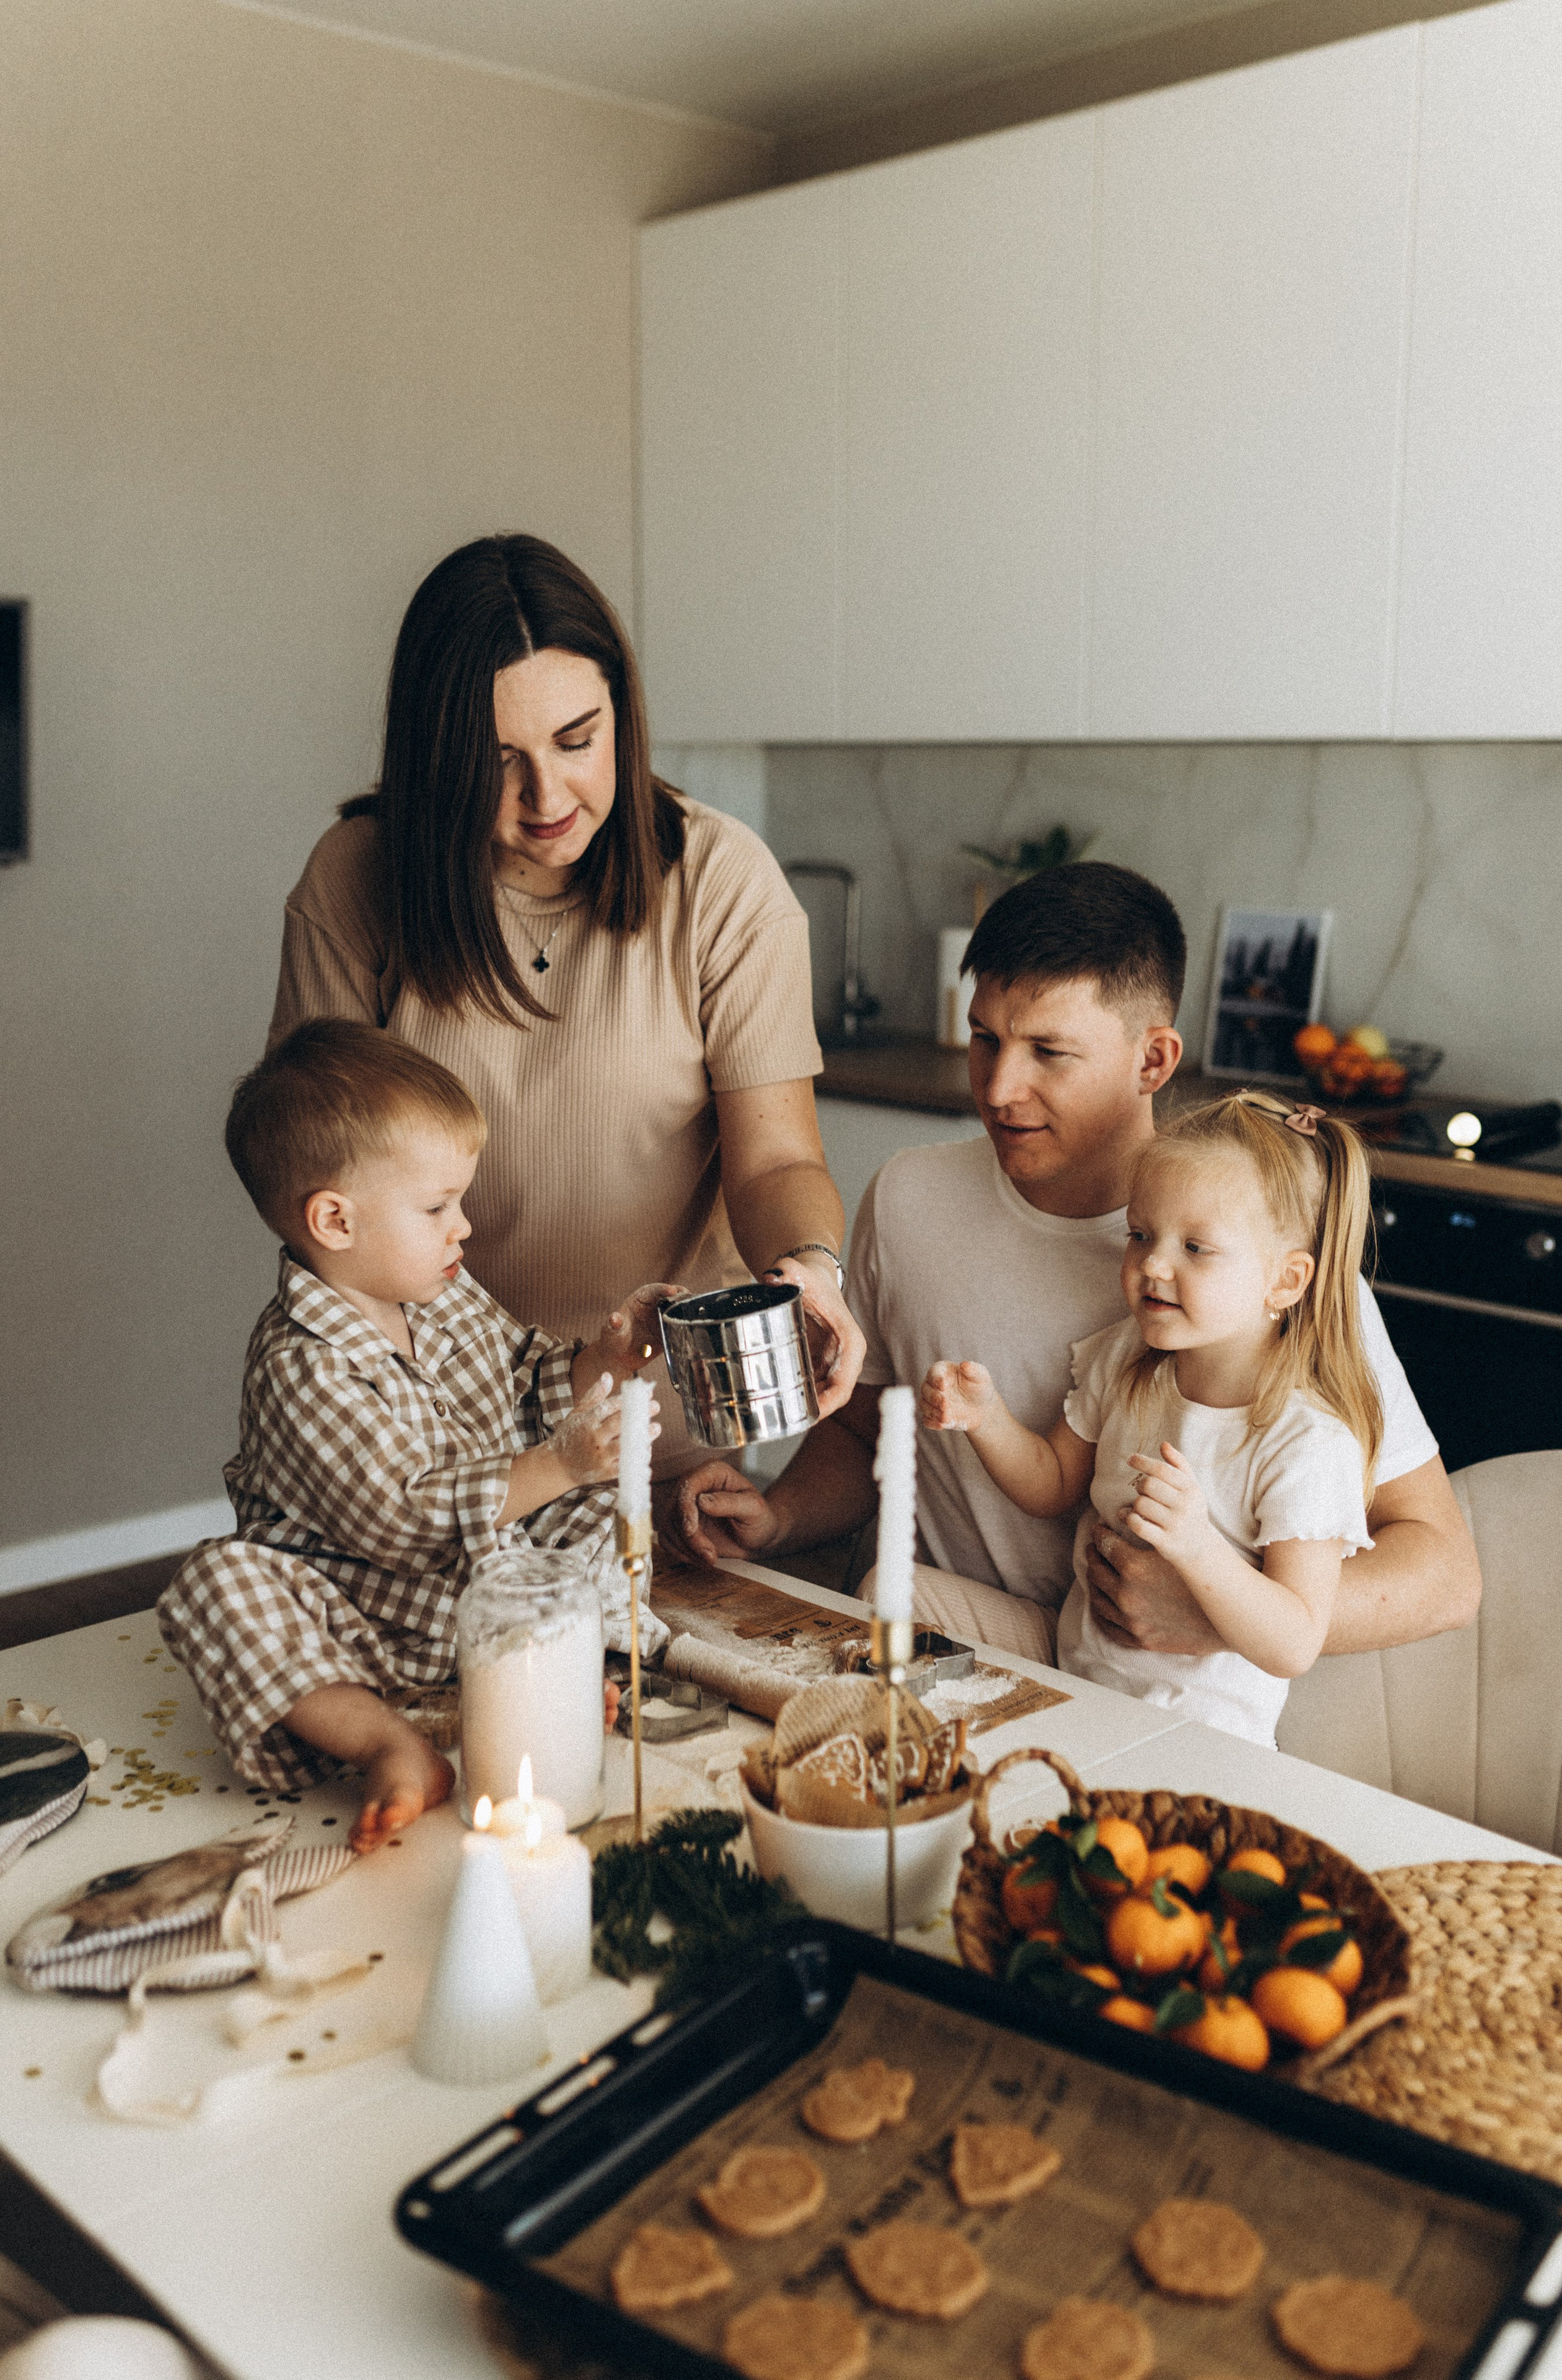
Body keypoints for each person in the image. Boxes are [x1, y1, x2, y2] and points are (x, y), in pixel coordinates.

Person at [677, 863, 1480, 1669]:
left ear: (1154, 1060)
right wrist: (778, 1515)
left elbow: (1444, 1574)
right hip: (965, 1650)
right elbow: (866, 1430)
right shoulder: (908, 1197)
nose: (998, 1087)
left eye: (1049, 1051)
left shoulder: (1255, 1266)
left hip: (1167, 1690)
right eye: (984, 1038)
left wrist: (1205, 1610)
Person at [266, 534, 862, 1491]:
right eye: (497, 762)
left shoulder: (722, 880)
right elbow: (313, 1180)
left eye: (577, 741)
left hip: (657, 1440)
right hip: (426, 1441)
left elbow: (780, 1160)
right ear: (434, 761)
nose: (547, 796)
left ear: (622, 718)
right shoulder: (355, 880)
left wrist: (810, 1267)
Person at [158, 1021, 667, 1851]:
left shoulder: (442, 1290)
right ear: (334, 1220)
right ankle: (390, 1741)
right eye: (436, 1207)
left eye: (457, 1201)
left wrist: (604, 1363)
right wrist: (562, 1462)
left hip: (489, 1589)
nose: (461, 1226)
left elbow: (527, 1381)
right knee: (217, 1584)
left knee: (599, 1511)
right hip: (367, 1617)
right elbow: (402, 1516)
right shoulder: (302, 1365)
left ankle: (569, 1671)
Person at [923, 1092, 1379, 1744]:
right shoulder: (1126, 1358)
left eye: (1196, 1247)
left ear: (1285, 1280)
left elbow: (1295, 1642)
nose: (1153, 1265)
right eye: (1141, 1235)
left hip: (1194, 1738)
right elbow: (1050, 1484)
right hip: (1071, 1678)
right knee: (890, 1594)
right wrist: (985, 1418)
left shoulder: (1306, 1440)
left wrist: (1197, 1548)